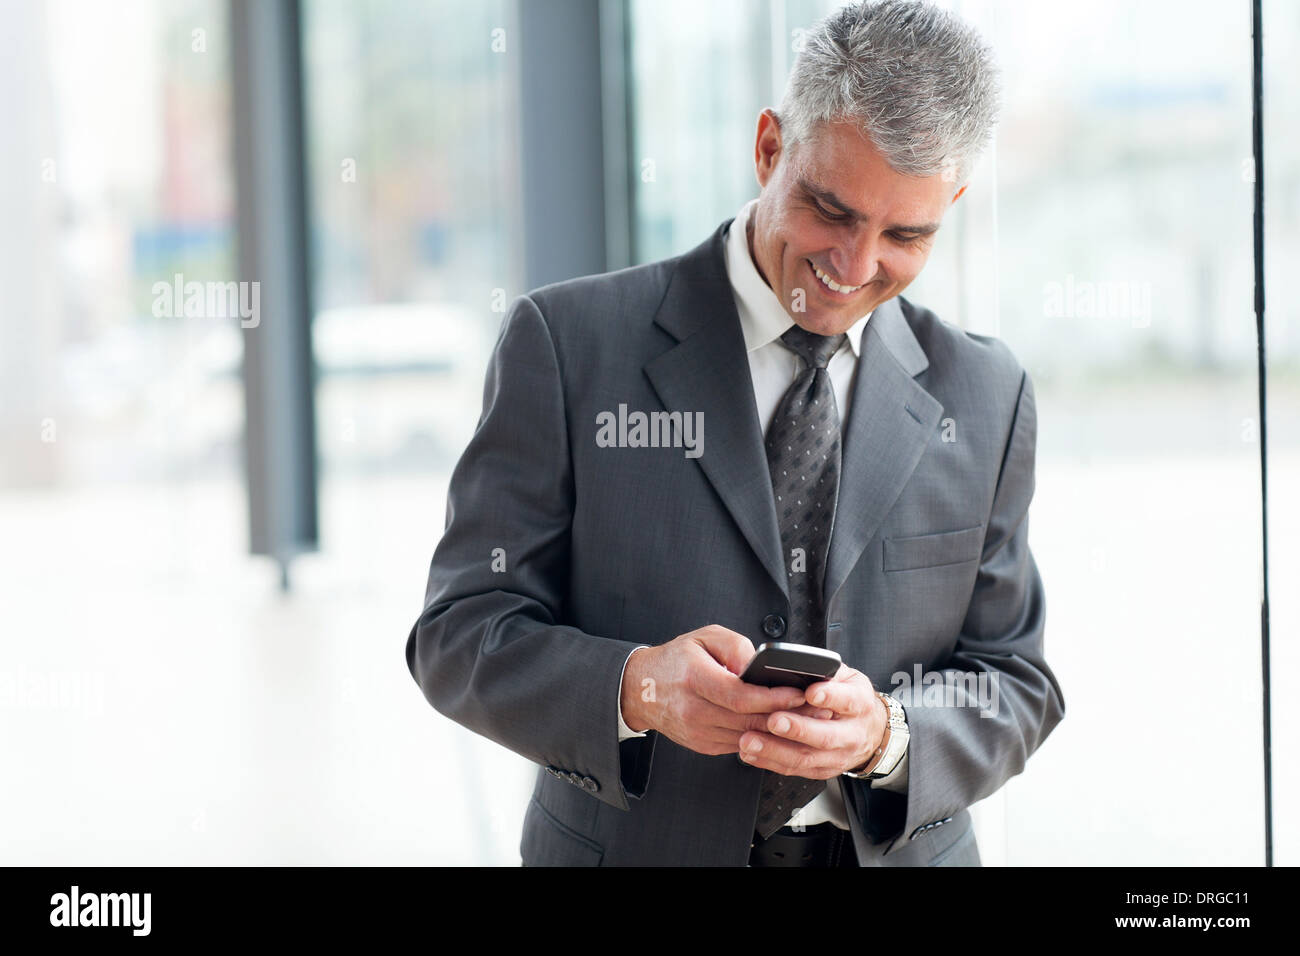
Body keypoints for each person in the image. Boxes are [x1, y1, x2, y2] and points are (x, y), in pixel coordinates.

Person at [406, 0, 1064, 866]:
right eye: (831, 210)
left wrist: (891, 736)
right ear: (767, 149)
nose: (855, 267)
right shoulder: (569, 346)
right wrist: (636, 687)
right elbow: (460, 633)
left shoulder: (986, 392)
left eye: (906, 234)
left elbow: (1016, 680)